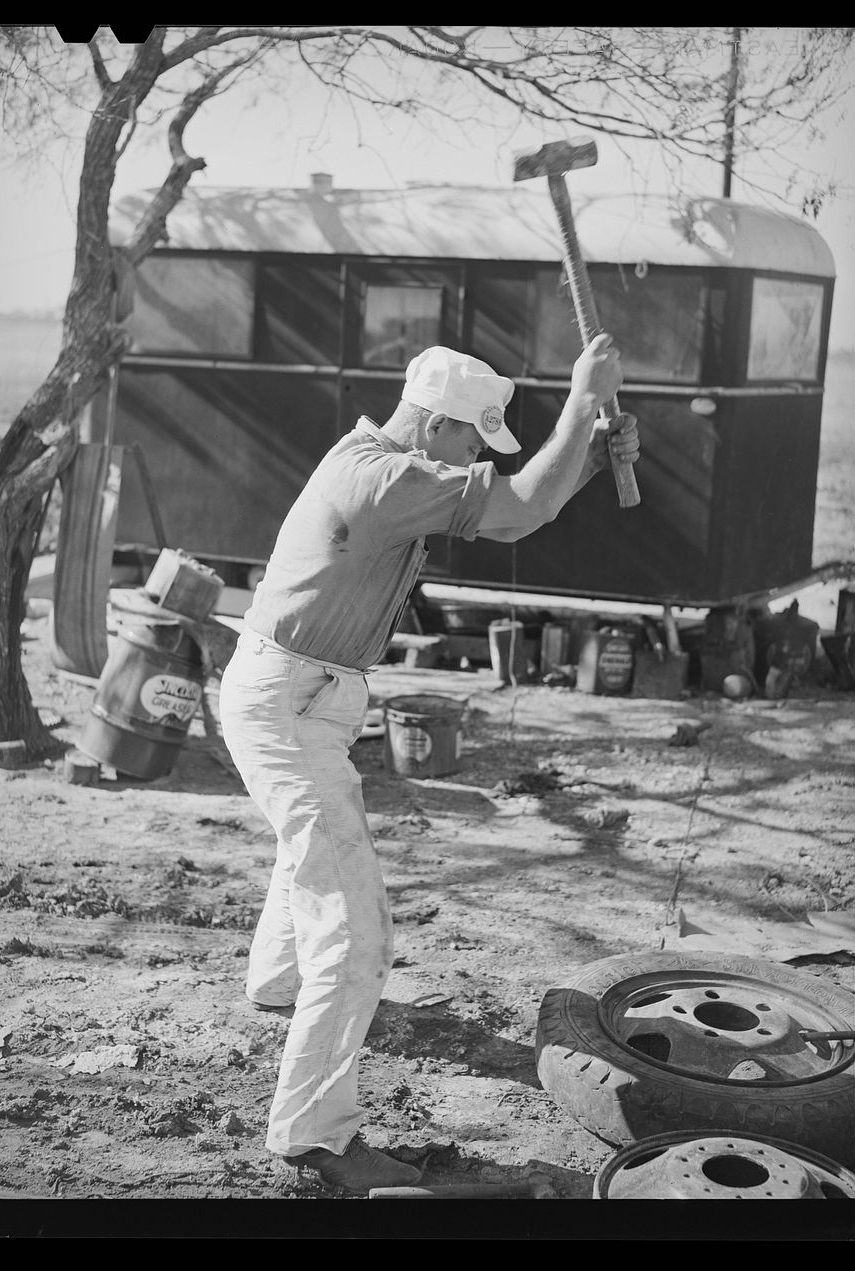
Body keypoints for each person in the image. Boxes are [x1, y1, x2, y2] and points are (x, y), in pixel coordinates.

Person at [218, 334, 637, 1193]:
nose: (478, 457)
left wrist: (591, 456)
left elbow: (533, 496)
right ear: (439, 424)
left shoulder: (385, 462)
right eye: (475, 440)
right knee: (358, 927)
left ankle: (278, 982)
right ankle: (314, 1139)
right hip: (289, 700)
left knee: (313, 844)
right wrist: (581, 400)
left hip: (297, 692)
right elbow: (521, 507)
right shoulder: (382, 478)